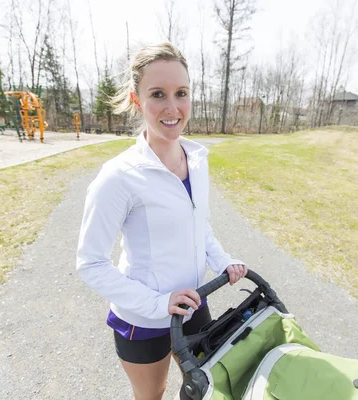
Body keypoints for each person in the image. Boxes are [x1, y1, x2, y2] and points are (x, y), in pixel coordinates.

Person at [75, 42, 247, 400]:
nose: (173, 108)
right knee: (154, 395)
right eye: (158, 94)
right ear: (136, 100)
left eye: (181, 93)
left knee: (207, 387)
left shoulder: (197, 159)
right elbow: (90, 264)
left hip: (194, 305)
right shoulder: (118, 177)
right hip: (143, 319)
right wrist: (158, 303)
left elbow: (200, 227)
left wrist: (223, 261)